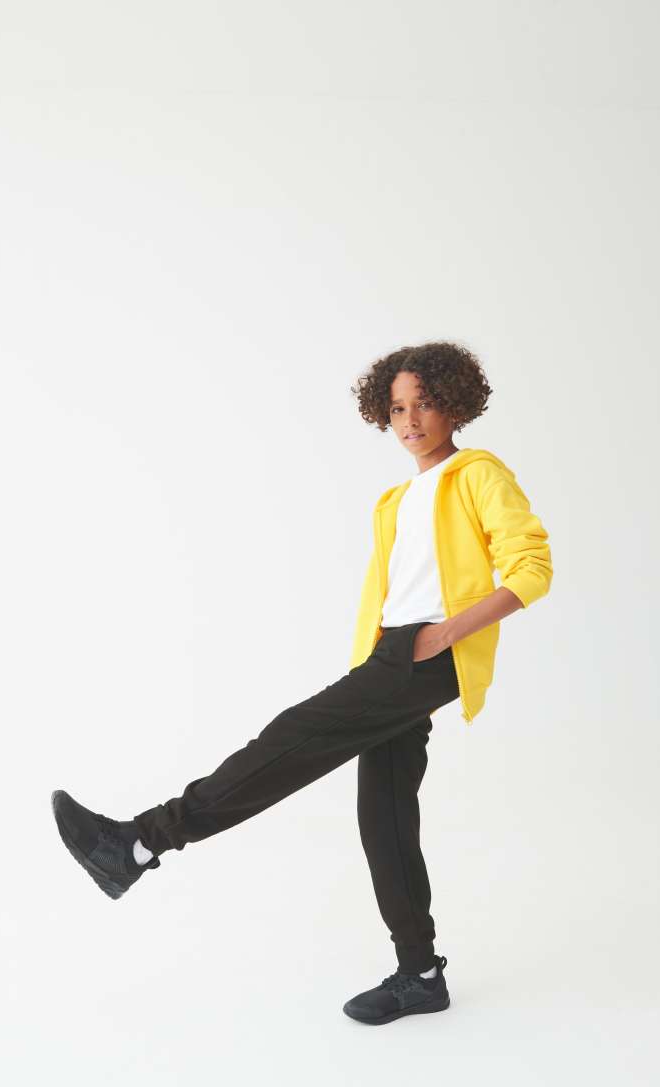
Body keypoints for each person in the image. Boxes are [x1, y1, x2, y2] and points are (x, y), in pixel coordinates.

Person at [51, 340, 553, 1025]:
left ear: (455, 405)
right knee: (385, 818)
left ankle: (138, 843)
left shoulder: (478, 475)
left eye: (425, 404)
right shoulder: (396, 499)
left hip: (425, 655)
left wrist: (441, 638)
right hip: (391, 655)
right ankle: (420, 974)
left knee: (291, 738)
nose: (410, 420)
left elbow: (532, 569)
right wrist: (384, 654)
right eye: (397, 408)